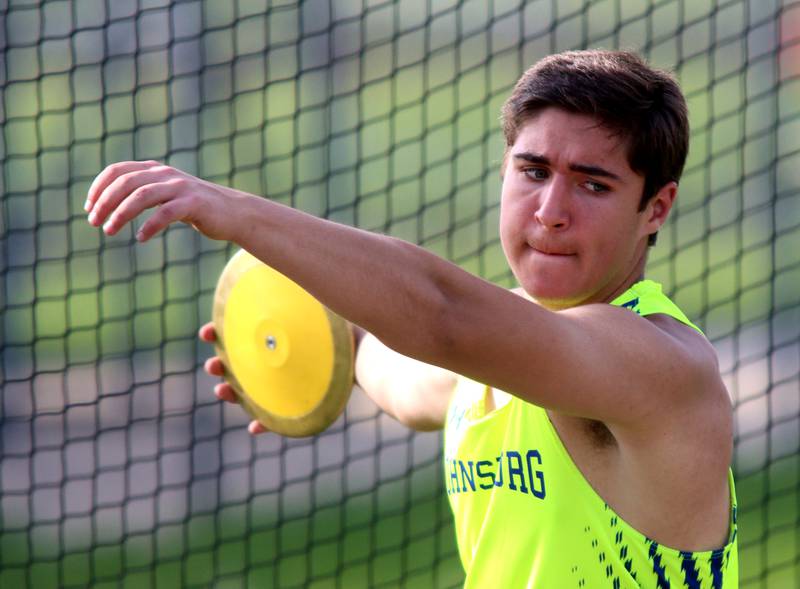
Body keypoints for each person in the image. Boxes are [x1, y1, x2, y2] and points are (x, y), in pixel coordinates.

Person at [85, 49, 738, 587]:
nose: (550, 210)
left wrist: (238, 214)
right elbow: (386, 358)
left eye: (592, 183)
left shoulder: (658, 365)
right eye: (532, 171)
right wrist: (290, 351)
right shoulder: (488, 366)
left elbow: (442, 316)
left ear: (656, 207)